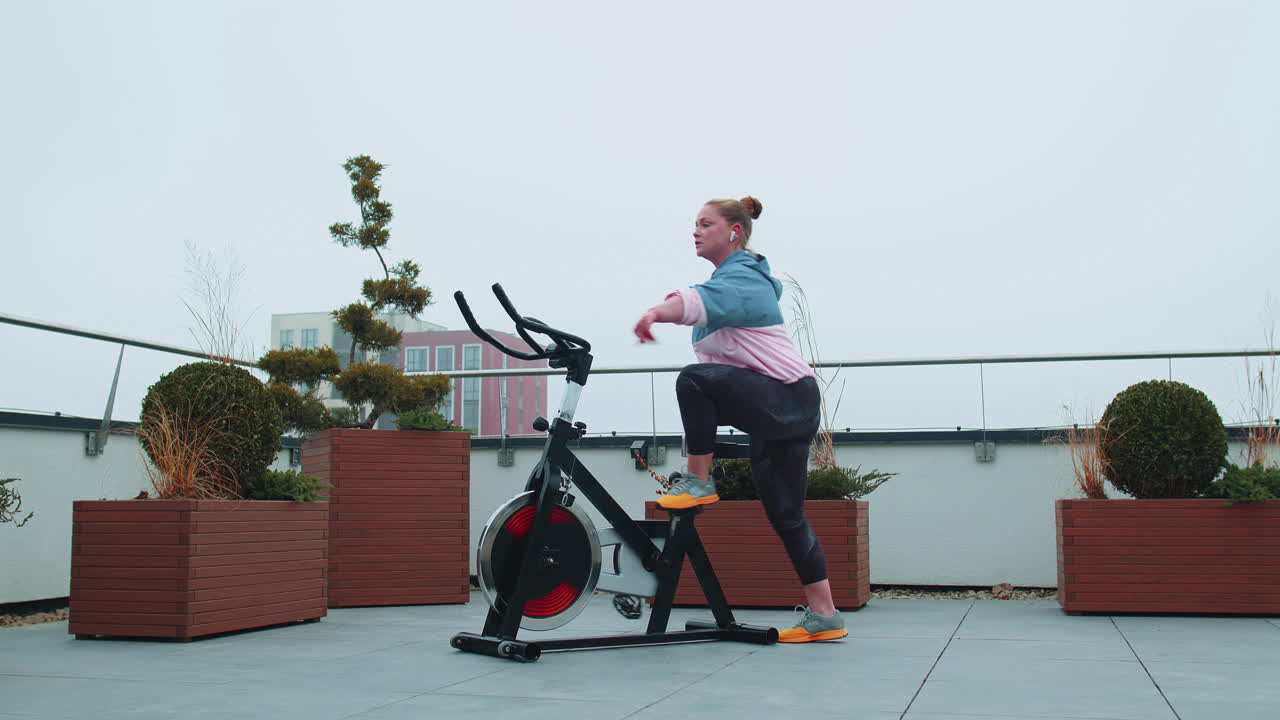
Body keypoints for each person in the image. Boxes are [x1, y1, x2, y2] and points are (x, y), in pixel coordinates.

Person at [633, 196, 847, 643]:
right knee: (786, 516)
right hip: (777, 408)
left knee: (692, 380)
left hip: (788, 397)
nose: (695, 231)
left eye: (705, 224)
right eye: (694, 224)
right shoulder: (731, 281)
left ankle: (698, 482)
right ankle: (826, 616)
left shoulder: (746, 278)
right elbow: (709, 315)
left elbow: (696, 303)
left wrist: (655, 312)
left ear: (734, 231)